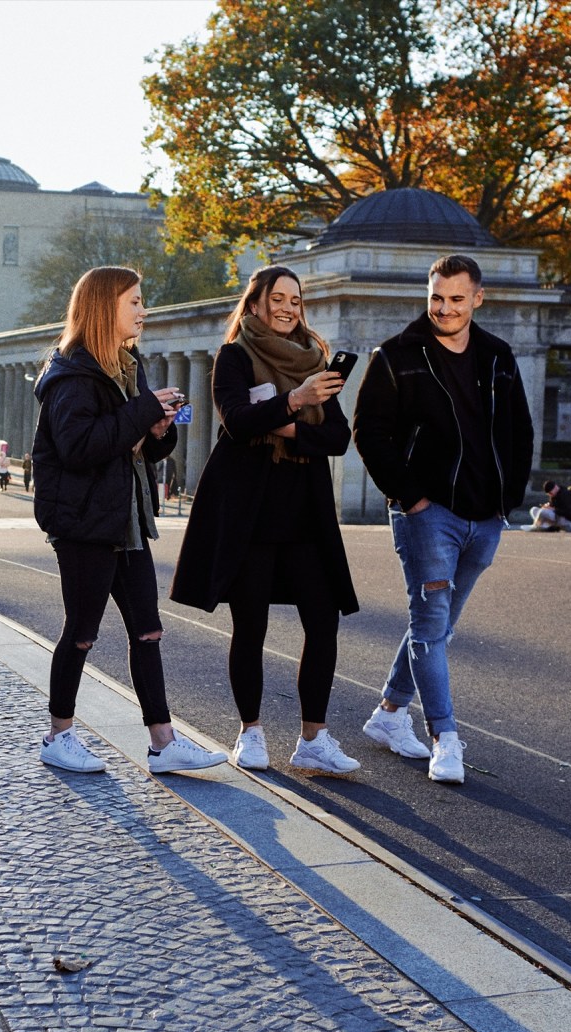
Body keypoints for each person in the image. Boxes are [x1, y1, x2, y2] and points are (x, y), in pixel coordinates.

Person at [31, 265, 226, 775]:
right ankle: (58, 735)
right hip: (85, 522)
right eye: (134, 302)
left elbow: (133, 446)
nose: (144, 311)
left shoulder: (127, 365)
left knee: (148, 632)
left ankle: (163, 743)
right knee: (81, 632)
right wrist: (140, 415)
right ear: (103, 307)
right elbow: (78, 448)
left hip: (127, 518)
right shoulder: (70, 376)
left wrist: (159, 427)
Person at [170, 265, 361, 775]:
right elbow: (237, 421)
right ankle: (250, 731)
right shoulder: (234, 356)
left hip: (306, 511)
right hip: (249, 511)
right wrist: (296, 402)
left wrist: (288, 424)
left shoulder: (315, 361)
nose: (288, 307)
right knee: (249, 625)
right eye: (277, 297)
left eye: (296, 300)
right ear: (254, 304)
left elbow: (338, 439)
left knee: (324, 622)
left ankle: (313, 738)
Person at [352, 254, 534, 784]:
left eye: (456, 298)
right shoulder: (397, 356)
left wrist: (509, 500)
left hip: (486, 515)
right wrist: (411, 498)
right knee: (431, 627)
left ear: (478, 298)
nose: (444, 308)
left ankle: (388, 715)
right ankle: (445, 738)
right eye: (436, 297)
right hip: (428, 514)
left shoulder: (498, 357)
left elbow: (519, 430)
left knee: (438, 627)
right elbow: (368, 434)